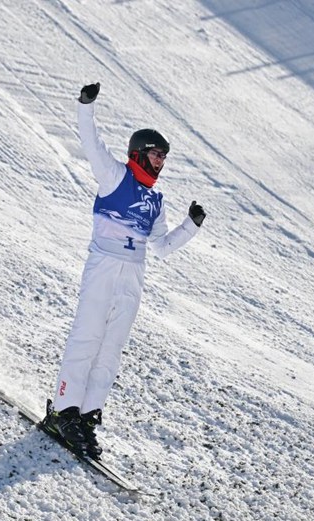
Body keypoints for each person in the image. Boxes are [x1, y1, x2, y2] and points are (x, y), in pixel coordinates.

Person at [41, 82, 207, 459]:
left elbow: (162, 247)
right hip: (104, 265)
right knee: (86, 338)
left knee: (111, 348)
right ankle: (62, 410)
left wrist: (191, 226)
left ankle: (85, 415)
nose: (160, 161)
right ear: (137, 153)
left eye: (164, 157)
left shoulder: (156, 201)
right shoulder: (115, 176)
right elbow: (91, 143)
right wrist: (87, 106)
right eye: (155, 154)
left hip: (133, 275)